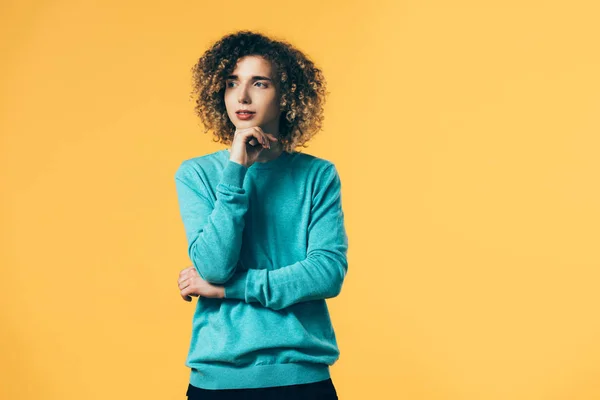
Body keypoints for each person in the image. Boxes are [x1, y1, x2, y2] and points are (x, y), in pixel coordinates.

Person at [174, 30, 348, 400]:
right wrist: (235, 169)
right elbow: (214, 266)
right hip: (219, 378)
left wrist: (228, 290)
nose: (243, 96)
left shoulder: (317, 175)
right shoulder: (196, 174)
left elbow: (327, 273)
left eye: (260, 83)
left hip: (300, 377)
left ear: (287, 96)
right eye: (231, 83)